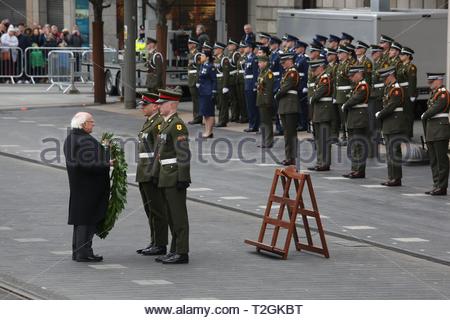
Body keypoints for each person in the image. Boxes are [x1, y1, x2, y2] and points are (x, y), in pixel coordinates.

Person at [63, 112, 112, 262]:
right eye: (91, 121)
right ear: (83, 124)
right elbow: (88, 165)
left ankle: (78, 251)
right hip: (89, 186)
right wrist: (107, 163)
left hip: (79, 185)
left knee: (80, 219)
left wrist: (104, 148)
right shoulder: (84, 140)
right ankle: (84, 252)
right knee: (87, 219)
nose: (93, 124)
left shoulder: (71, 137)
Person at [152, 88, 191, 264]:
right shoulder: (166, 124)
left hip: (174, 175)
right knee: (171, 215)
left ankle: (182, 252)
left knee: (178, 216)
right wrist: (155, 173)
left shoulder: (177, 125)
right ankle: (174, 249)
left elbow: (183, 153)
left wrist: (183, 177)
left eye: (162, 103)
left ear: (172, 105)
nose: (159, 106)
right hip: (165, 175)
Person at [136, 93, 168, 256]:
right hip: (143, 172)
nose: (142, 107)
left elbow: (159, 151)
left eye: (145, 105)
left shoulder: (158, 124)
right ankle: (154, 241)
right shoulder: (149, 122)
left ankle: (160, 243)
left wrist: (155, 173)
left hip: (151, 172)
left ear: (155, 106)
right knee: (150, 210)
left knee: (157, 210)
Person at [375, 66, 407, 187]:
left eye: (385, 77)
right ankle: (391, 177)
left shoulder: (396, 90)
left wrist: (380, 114)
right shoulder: (388, 88)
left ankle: (396, 178)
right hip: (388, 123)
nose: (384, 80)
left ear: (391, 76)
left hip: (394, 123)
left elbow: (391, 106)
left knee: (394, 151)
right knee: (390, 152)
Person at [421, 73, 449, 196]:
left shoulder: (443, 93)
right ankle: (436, 184)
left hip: (440, 130)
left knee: (441, 160)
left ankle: (442, 187)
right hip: (432, 130)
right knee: (433, 160)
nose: (429, 84)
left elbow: (436, 108)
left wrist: (425, 114)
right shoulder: (434, 93)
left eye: (431, 81)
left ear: (439, 80)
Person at [341, 65, 370, 179]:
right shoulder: (357, 86)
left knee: (359, 145)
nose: (351, 78)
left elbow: (355, 99)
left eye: (353, 76)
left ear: (359, 74)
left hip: (359, 118)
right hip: (353, 118)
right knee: (353, 145)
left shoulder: (363, 86)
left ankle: (360, 170)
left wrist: (346, 104)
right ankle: (354, 169)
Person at [308, 59, 333, 172]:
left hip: (324, 111)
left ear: (321, 68)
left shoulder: (325, 78)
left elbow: (318, 94)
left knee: (324, 139)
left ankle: (325, 163)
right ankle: (320, 161)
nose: (313, 72)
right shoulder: (319, 78)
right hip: (318, 112)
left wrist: (312, 98)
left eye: (315, 69)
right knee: (318, 139)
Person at [275, 53, 300, 166]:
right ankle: (288, 156)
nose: (282, 64)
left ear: (290, 60)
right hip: (285, 105)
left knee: (291, 133)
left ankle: (292, 157)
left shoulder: (293, 73)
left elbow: (286, 87)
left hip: (290, 105)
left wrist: (277, 94)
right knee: (286, 133)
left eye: (284, 62)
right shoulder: (287, 73)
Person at [369, 45, 390, 157]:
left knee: (377, 122)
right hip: (374, 94)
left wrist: (379, 94)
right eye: (372, 53)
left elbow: (382, 78)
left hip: (379, 94)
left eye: (374, 53)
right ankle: (374, 147)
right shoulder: (375, 63)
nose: (372, 55)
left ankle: (376, 146)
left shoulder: (384, 63)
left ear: (380, 53)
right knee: (373, 123)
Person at [398, 46, 417, 139]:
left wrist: (412, 94)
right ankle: (403, 132)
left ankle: (408, 134)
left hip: (407, 92)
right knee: (402, 114)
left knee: (408, 114)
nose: (400, 56)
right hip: (402, 91)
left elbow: (412, 81)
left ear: (408, 56)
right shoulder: (401, 66)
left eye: (403, 54)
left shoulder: (411, 67)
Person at [335, 45, 353, 146]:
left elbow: (352, 82)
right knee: (342, 118)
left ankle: (349, 137)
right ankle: (345, 136)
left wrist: (350, 95)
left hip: (346, 95)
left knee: (347, 118)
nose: (338, 55)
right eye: (338, 53)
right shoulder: (340, 65)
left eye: (340, 53)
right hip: (339, 95)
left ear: (346, 54)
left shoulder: (348, 65)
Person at [197, 51, 217, 138]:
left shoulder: (211, 67)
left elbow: (214, 80)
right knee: (205, 113)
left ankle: (209, 131)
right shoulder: (202, 65)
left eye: (202, 55)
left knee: (209, 112)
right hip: (202, 91)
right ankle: (206, 130)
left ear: (207, 57)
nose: (200, 56)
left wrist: (213, 91)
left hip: (208, 92)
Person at [256, 55, 274, 148]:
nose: (259, 64)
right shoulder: (262, 72)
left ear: (265, 63)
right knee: (263, 121)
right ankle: (264, 141)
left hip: (265, 100)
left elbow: (269, 89)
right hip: (260, 99)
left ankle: (269, 141)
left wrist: (267, 101)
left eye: (260, 62)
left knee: (267, 121)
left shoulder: (269, 73)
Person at [243, 41, 260, 133]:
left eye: (246, 47)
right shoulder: (247, 58)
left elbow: (255, 73)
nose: (244, 48)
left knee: (253, 106)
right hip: (247, 84)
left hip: (251, 85)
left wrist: (255, 85)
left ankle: (254, 125)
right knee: (249, 106)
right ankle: (251, 124)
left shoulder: (254, 59)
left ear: (250, 48)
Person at [213, 42, 230, 127]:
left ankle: (223, 121)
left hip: (222, 82)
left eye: (216, 49)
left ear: (220, 50)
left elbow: (226, 73)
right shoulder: (216, 59)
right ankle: (222, 119)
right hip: (217, 82)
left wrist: (225, 86)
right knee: (219, 103)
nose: (214, 50)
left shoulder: (224, 59)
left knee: (223, 103)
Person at [269, 36, 284, 136]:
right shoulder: (272, 55)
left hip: (278, 82)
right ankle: (278, 127)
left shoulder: (280, 55)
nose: (270, 46)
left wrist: (279, 84)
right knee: (275, 107)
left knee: (279, 107)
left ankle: (281, 128)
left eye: (272, 44)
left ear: (276, 44)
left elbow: (282, 71)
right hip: (272, 82)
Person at [294, 40, 309, 132]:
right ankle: (300, 123)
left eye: (297, 47)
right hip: (298, 84)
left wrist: (305, 86)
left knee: (303, 107)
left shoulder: (305, 59)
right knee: (298, 105)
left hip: (302, 85)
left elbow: (306, 73)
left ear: (302, 49)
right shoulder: (297, 58)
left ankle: (304, 124)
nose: (295, 49)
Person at [187, 37, 202, 125]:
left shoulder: (197, 55)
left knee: (197, 99)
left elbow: (199, 69)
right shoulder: (190, 54)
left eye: (190, 43)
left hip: (195, 79)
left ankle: (198, 117)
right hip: (191, 78)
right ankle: (196, 116)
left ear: (194, 45)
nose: (188, 45)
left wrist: (198, 81)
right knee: (194, 99)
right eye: (188, 43)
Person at [227, 38, 241, 123]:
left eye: (230, 45)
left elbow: (238, 67)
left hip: (234, 77)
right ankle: (233, 115)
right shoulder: (229, 54)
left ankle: (235, 115)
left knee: (235, 99)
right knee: (232, 99)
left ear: (235, 46)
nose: (228, 46)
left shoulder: (236, 55)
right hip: (230, 77)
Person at [236, 41, 249, 123]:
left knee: (244, 99)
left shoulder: (246, 57)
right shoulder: (240, 57)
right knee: (240, 99)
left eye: (242, 47)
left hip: (243, 79)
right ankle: (243, 115)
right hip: (239, 79)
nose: (240, 49)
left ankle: (245, 116)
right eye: (240, 47)